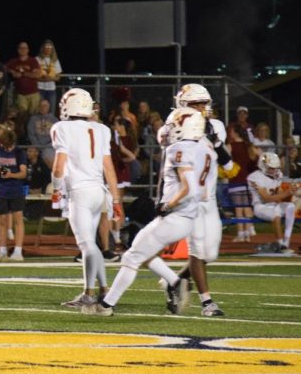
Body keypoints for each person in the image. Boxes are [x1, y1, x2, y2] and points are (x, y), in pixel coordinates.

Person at [84, 108, 212, 317]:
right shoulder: (205, 149)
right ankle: (175, 282)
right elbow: (204, 191)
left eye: (176, 125)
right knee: (141, 251)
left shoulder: (179, 149)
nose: (171, 129)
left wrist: (169, 203)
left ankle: (106, 306)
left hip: (175, 216)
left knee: (132, 257)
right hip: (189, 216)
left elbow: (188, 186)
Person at [163, 83, 234, 317]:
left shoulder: (215, 127)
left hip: (209, 198)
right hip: (187, 197)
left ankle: (176, 281)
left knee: (209, 254)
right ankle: (207, 303)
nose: (202, 108)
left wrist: (210, 137)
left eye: (204, 103)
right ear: (183, 106)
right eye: (196, 104)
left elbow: (225, 160)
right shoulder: (173, 125)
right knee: (197, 249)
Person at [50, 88, 121, 308]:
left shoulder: (61, 127)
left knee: (88, 245)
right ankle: (94, 291)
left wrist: (55, 188)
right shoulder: (101, 129)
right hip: (100, 192)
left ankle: (104, 294)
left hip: (80, 193)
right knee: (91, 246)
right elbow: (108, 167)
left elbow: (60, 163)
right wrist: (116, 199)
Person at [248, 151, 297, 255]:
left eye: (275, 167)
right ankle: (280, 244)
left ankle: (286, 243)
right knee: (276, 213)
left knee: (291, 207)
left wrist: (290, 192)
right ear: (262, 166)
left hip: (273, 205)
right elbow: (266, 198)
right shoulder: (254, 177)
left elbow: (278, 193)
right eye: (271, 167)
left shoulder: (278, 175)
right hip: (260, 206)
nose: (274, 170)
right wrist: (287, 193)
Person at [0, 127, 28, 261]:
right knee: (2, 221)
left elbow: (23, 172)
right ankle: (2, 250)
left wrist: (11, 174)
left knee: (18, 219)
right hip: (1, 189)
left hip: (16, 189)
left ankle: (18, 251)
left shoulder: (19, 153)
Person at [5, 41, 41, 132]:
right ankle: (23, 133)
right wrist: (12, 72)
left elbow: (37, 75)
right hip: (21, 94)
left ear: (28, 50)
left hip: (33, 93)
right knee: (22, 115)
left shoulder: (33, 61)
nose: (23, 50)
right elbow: (4, 68)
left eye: (25, 48)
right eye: (21, 48)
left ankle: (32, 133)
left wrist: (23, 74)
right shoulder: (14, 61)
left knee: (34, 115)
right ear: (18, 50)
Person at [26, 98, 57, 165]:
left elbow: (56, 135)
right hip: (35, 144)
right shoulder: (33, 119)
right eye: (41, 106)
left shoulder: (54, 120)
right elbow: (31, 134)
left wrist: (47, 146)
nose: (43, 107)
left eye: (45, 106)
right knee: (31, 151)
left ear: (49, 107)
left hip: (49, 146)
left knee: (49, 153)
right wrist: (37, 145)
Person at [36, 40, 62, 113]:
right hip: (39, 88)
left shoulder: (55, 60)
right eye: (46, 47)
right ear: (42, 48)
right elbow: (34, 75)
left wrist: (51, 78)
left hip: (51, 89)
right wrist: (42, 79)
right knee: (39, 110)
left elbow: (58, 76)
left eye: (50, 47)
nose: (48, 48)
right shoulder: (37, 59)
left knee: (51, 110)